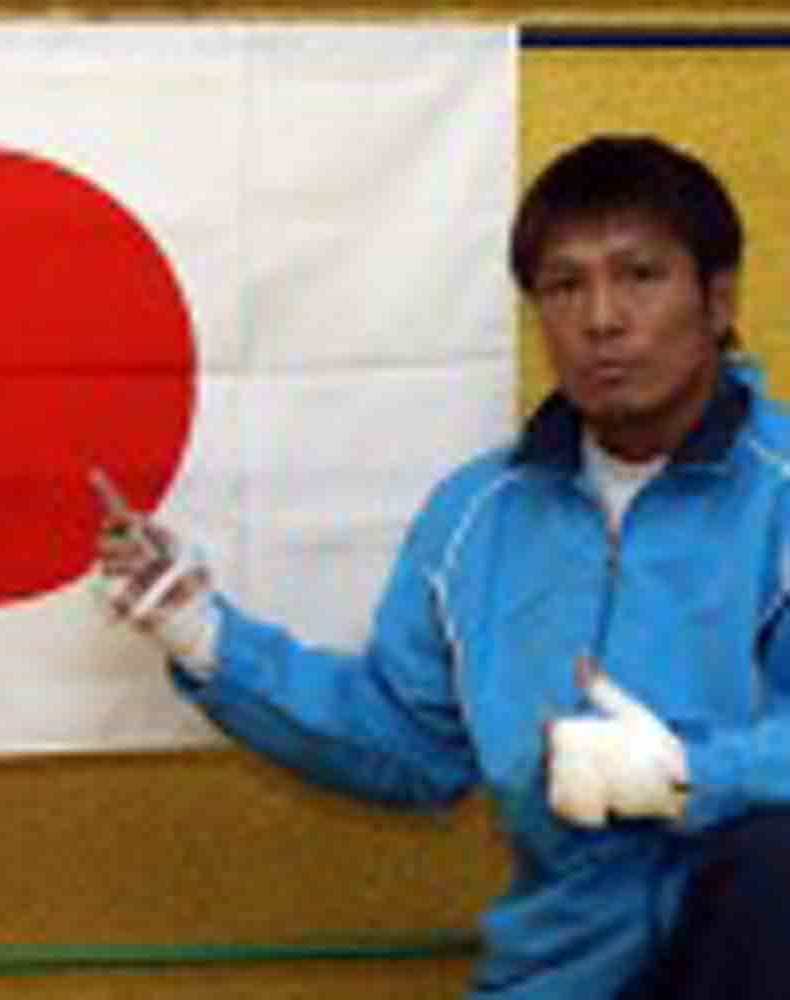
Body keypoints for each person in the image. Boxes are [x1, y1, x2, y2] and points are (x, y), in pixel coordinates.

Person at [92, 134, 790, 999]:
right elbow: (406, 748)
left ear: (718, 300)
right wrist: (201, 635)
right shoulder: (477, 517)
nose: (602, 318)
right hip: (560, 976)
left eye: (640, 276)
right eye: (564, 286)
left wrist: (687, 776)